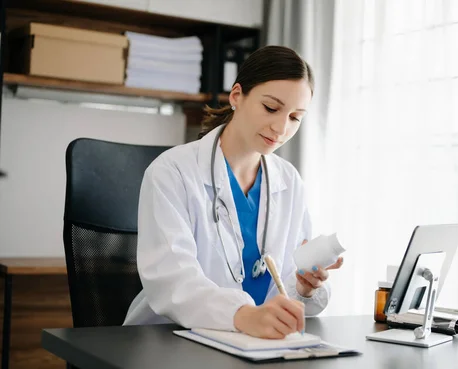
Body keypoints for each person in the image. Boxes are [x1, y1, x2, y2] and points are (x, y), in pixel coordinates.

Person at [123, 45, 343, 339]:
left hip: (250, 343)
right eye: (271, 108)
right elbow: (173, 281)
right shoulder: (172, 172)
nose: (280, 128)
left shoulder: (288, 180)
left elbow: (280, 286)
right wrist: (242, 315)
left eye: (295, 117)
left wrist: (302, 287)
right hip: (168, 341)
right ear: (237, 95)